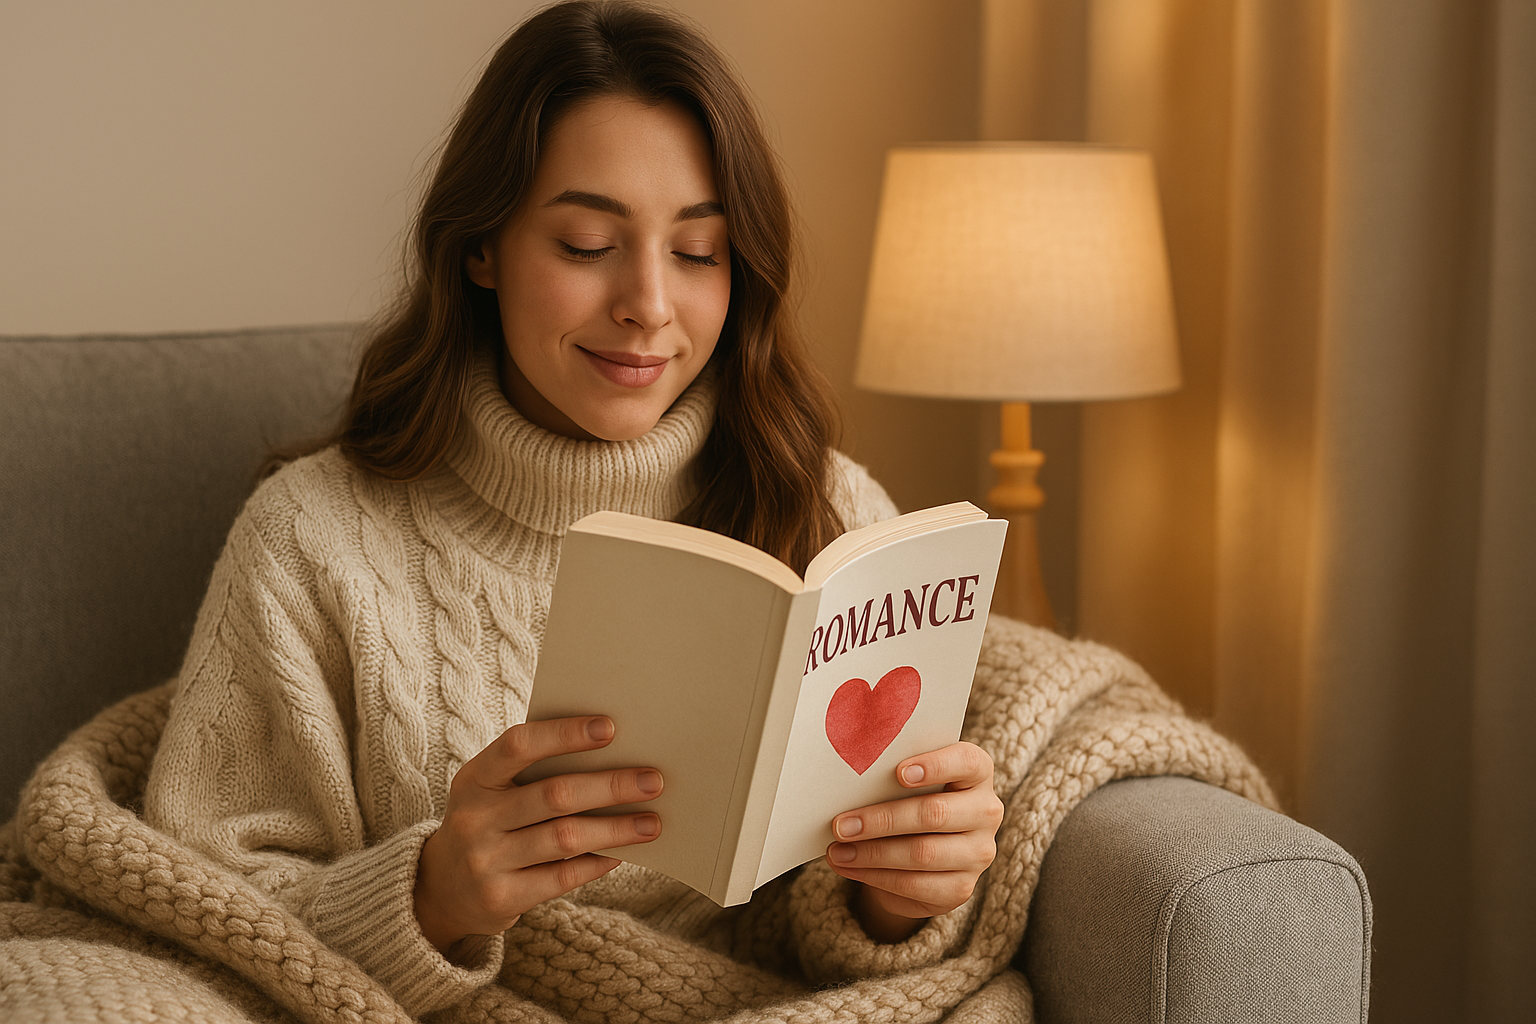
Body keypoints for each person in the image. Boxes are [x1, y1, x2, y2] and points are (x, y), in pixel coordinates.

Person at [138, 1, 1004, 1015]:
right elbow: (202, 907)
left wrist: (902, 897)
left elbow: (847, 915)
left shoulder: (831, 507)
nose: (647, 303)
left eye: (697, 252)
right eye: (588, 243)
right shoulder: (314, 538)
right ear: (481, 249)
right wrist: (432, 896)